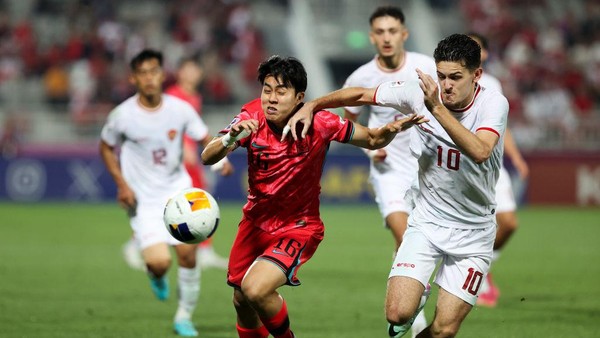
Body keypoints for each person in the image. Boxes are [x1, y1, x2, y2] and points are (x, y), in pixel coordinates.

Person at [286, 34, 509, 338]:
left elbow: (481, 150)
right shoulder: (418, 92)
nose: (446, 86)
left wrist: (437, 109)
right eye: (441, 76)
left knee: (444, 330)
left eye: (456, 77)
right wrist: (313, 104)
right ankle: (416, 297)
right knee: (397, 314)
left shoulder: (493, 103)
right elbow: (361, 95)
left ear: (477, 75)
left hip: (474, 233)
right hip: (427, 223)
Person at [200, 55, 427, 338]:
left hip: (298, 227)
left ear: (299, 98)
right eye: (267, 90)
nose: (271, 98)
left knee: (255, 289)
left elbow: (371, 138)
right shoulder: (250, 117)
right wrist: (229, 139)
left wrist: (389, 132)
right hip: (254, 223)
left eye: (281, 91)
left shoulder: (322, 122)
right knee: (242, 300)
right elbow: (207, 156)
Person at [99, 49, 232, 337]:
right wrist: (121, 184)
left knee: (187, 255)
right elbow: (106, 146)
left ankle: (183, 317)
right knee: (160, 263)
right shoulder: (122, 115)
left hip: (178, 194)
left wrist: (220, 160)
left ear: (162, 74)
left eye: (154, 71)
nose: (149, 78)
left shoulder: (180, 109)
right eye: (143, 73)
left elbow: (204, 137)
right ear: (134, 78)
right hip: (142, 200)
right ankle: (155, 274)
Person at [342, 7, 437, 335]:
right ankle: (414, 320)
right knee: (406, 235)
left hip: (427, 169)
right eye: (380, 32)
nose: (386, 37)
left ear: (404, 34)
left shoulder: (426, 67)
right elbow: (347, 125)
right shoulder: (361, 78)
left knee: (414, 245)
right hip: (389, 171)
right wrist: (369, 146)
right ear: (371, 37)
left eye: (392, 31)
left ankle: (405, 303)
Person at [121, 56, 230, 271]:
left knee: (197, 198)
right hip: (171, 159)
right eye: (188, 70)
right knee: (170, 204)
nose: (192, 74)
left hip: (185, 159)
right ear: (180, 72)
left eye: (195, 70)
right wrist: (182, 147)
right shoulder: (172, 96)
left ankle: (204, 250)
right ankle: (136, 244)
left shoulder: (194, 97)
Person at [468, 32, 529, 307]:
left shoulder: (492, 83)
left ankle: (482, 269)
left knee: (509, 223)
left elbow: (501, 126)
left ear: (486, 54)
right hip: (465, 166)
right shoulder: (449, 80)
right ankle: (469, 277)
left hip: (492, 165)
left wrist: (515, 157)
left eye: (476, 48)